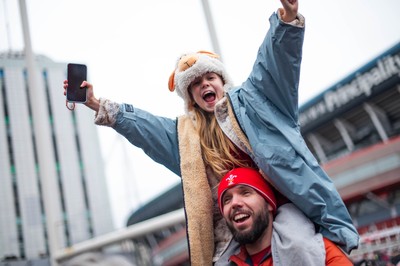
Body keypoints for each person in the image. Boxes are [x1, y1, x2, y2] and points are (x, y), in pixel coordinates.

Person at [63, 0, 359, 264]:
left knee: (301, 248)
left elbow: (273, 68)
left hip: (285, 207)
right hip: (233, 227)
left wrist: (287, 21)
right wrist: (96, 104)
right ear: (190, 95)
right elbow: (145, 127)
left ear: (222, 80)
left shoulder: (256, 102)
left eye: (210, 77)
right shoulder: (186, 138)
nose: (204, 85)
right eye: (195, 83)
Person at [218, 167, 353, 266]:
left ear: (269, 204)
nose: (235, 203)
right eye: (227, 200)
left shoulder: (318, 251)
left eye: (246, 193)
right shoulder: (228, 263)